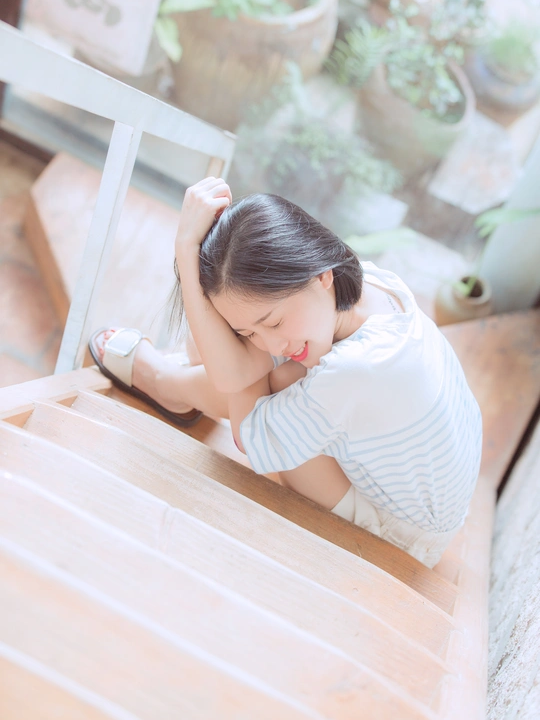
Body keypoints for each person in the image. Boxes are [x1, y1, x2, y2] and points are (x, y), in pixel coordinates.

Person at [90, 176, 483, 568]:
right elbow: (249, 363)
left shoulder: (358, 369)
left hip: (403, 535)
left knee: (261, 380)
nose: (272, 343)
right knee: (246, 356)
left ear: (320, 274)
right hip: (436, 492)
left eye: (274, 322)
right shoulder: (376, 286)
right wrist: (242, 333)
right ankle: (179, 380)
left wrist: (186, 249)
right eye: (252, 332)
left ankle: (165, 382)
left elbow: (249, 433)